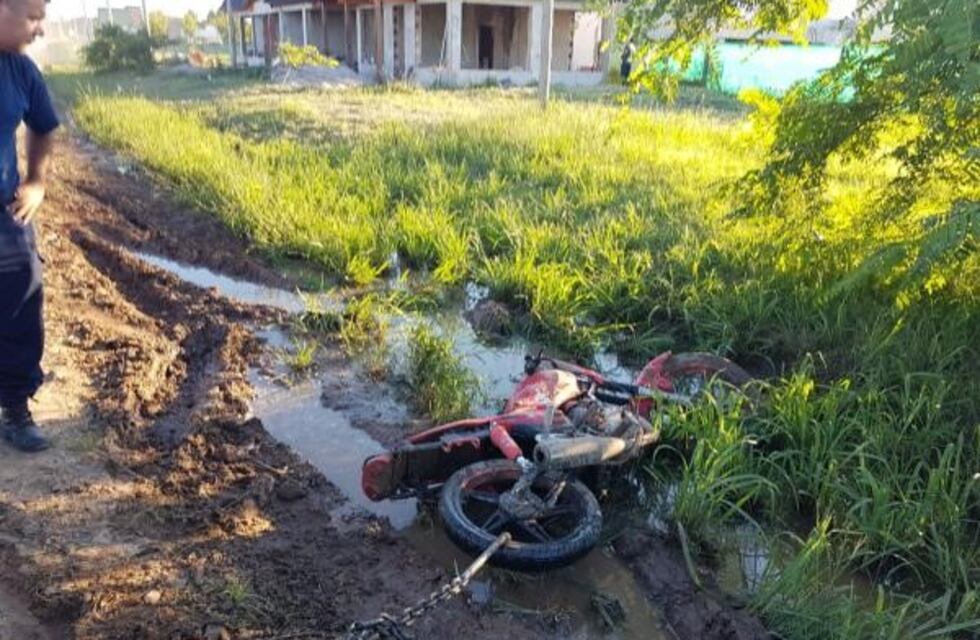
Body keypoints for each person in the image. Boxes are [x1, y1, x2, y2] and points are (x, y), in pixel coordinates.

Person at [0, 0, 59, 452]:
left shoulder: (21, 70)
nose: (40, 29)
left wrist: (36, 182)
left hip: (6, 213)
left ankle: (16, 407)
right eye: (33, 16)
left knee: (21, 299)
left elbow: (43, 125)